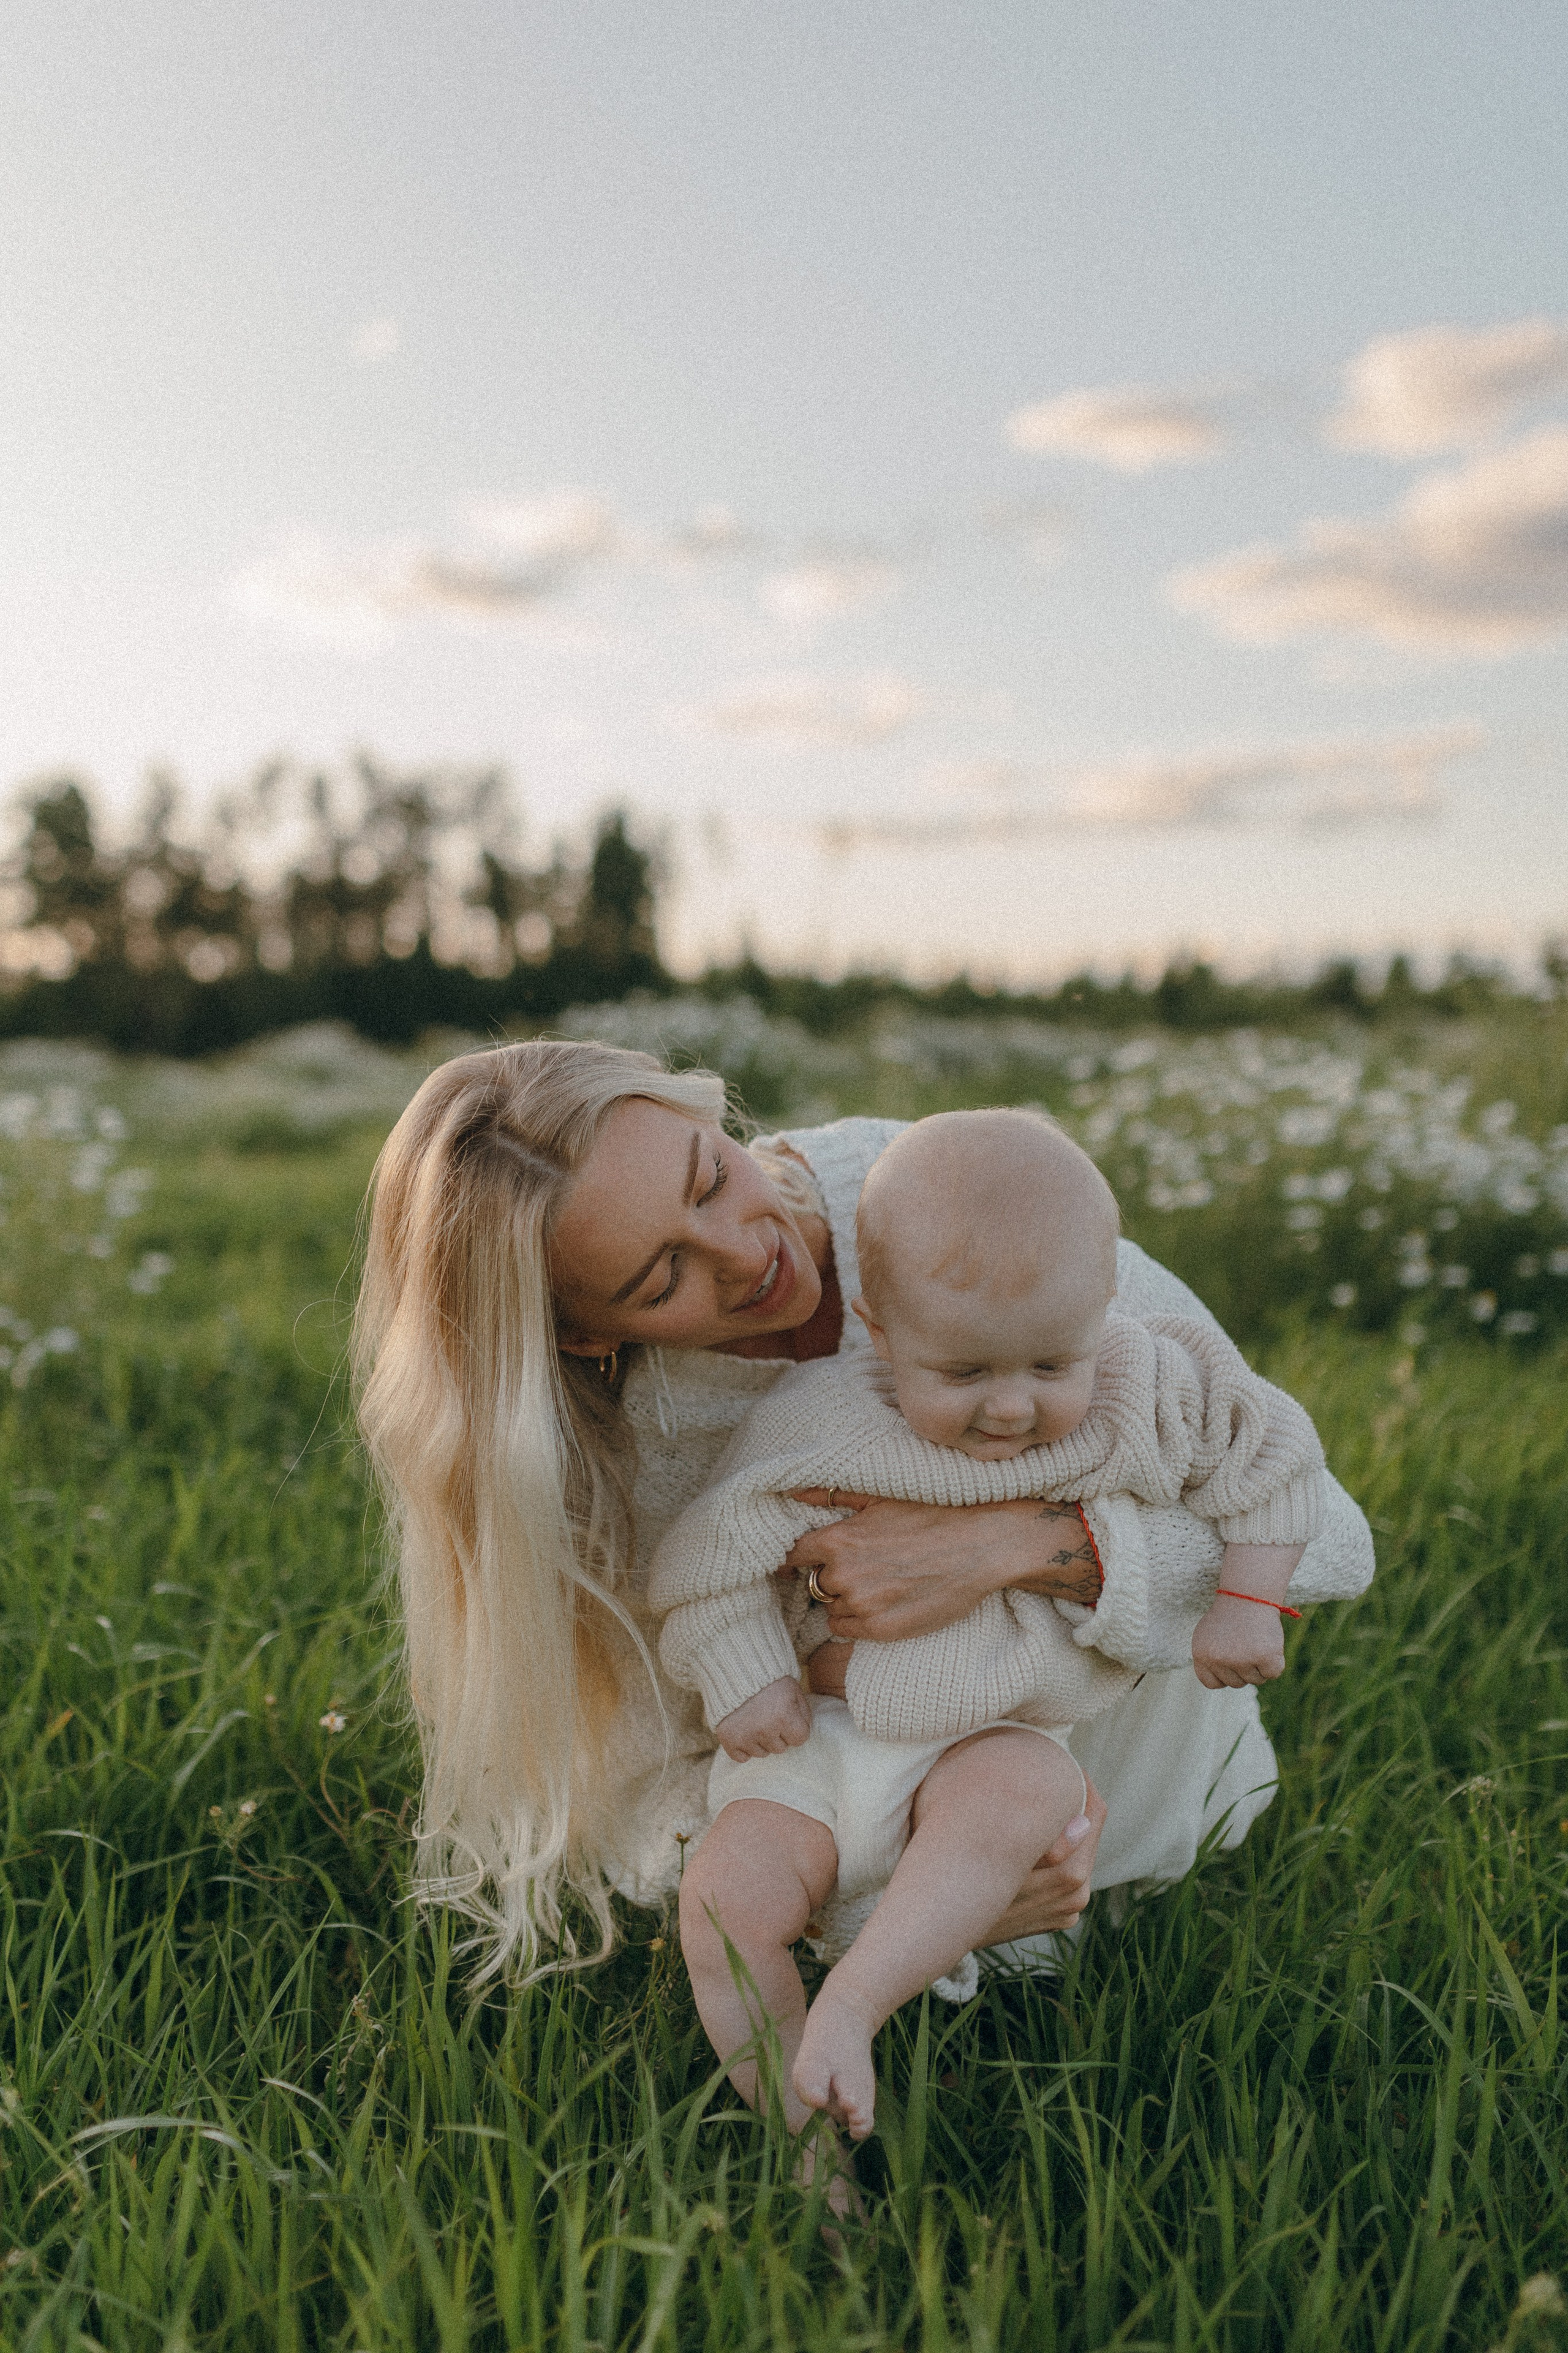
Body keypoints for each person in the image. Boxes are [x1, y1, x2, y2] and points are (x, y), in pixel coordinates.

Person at [352, 1039, 1373, 2002]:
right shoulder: (612, 1448)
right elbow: (643, 1794)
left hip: (1155, 1827)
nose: (743, 1253)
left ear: (699, 1107)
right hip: (886, 1842)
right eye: (662, 1278)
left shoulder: (952, 1190)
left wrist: (1022, 1547)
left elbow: (1326, 1535)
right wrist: (881, 1909)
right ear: (582, 1333)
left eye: (711, 1176)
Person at [652, 1109, 1327, 2139]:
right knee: (722, 1904)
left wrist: (1247, 1598)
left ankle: (855, 2006)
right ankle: (802, 2139)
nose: (1012, 1407)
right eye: (963, 1375)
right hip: (820, 1742)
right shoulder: (816, 1419)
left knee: (1019, 1792)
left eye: (1051, 1367)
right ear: (880, 1331)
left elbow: (1274, 1453)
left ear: (1102, 1308)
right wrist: (750, 1675)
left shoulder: (1139, 1386)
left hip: (990, 1736)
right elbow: (711, 1555)